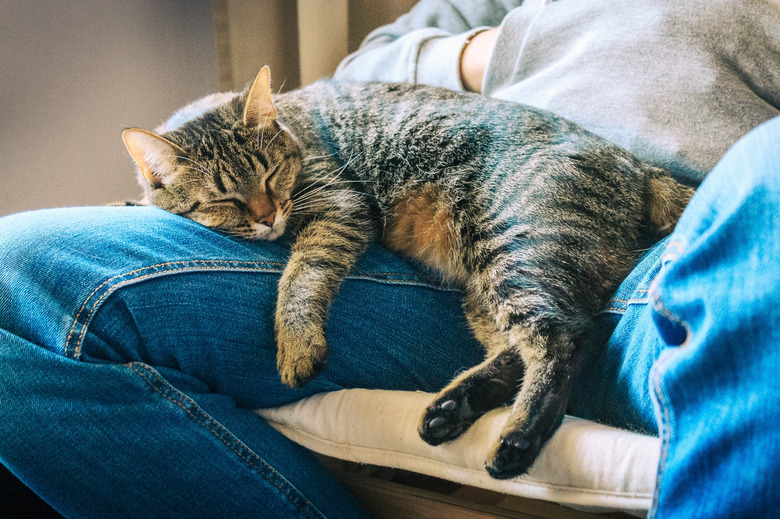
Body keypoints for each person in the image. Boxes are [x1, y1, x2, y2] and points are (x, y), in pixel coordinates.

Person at [1, 0, 778, 517]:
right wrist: (496, 49)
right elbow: (363, 66)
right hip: (408, 242)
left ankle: (535, 353)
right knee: (13, 272)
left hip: (684, 263)